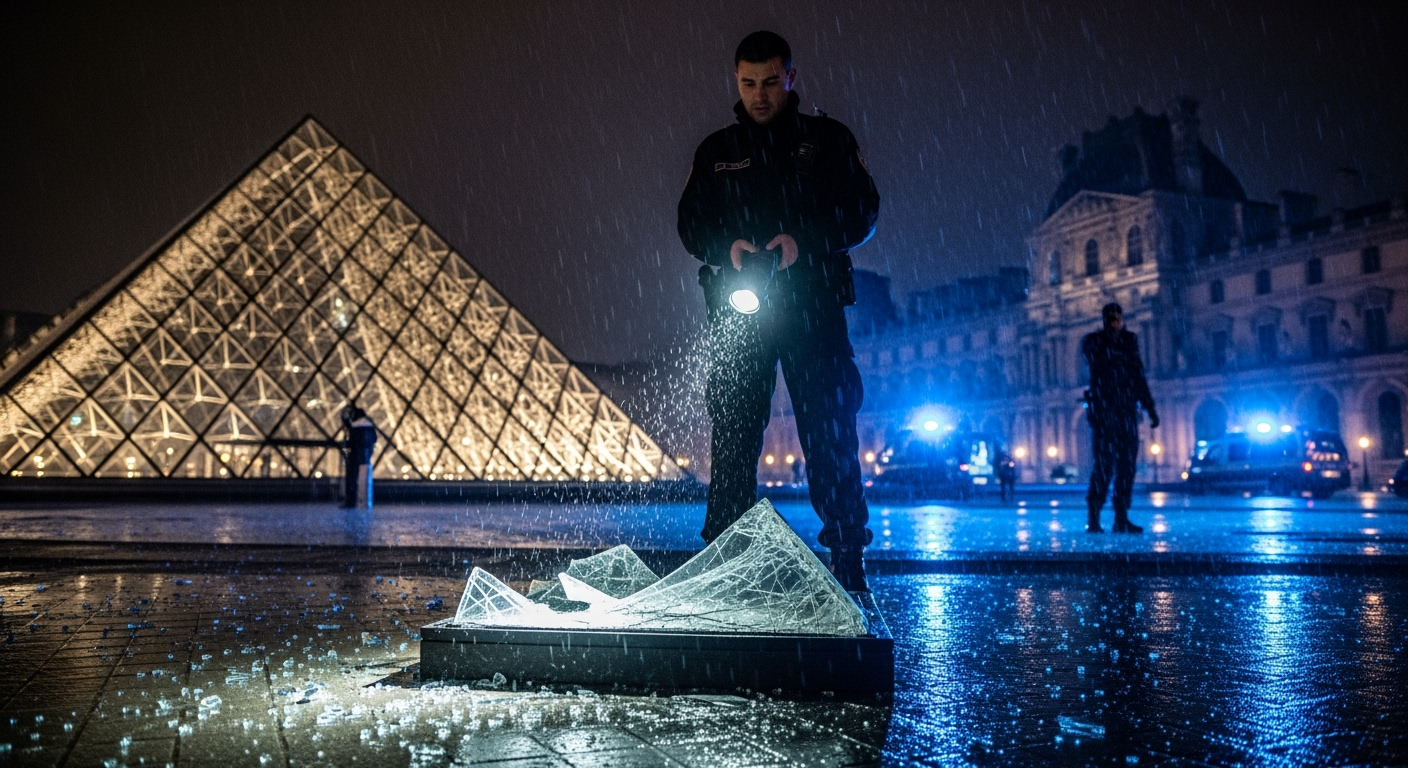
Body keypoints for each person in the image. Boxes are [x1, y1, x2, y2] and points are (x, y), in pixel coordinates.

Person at [677, 30, 880, 591]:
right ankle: (722, 551)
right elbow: (689, 225)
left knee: (829, 427)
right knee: (735, 429)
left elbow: (864, 211)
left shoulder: (829, 139)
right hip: (740, 305)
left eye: (770, 82)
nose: (759, 94)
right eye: (747, 83)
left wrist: (804, 242)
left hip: (812, 300)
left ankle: (846, 550)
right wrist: (729, 249)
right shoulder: (715, 152)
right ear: (735, 81)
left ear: (791, 77)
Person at [1081, 303, 1159, 533]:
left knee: (1127, 467)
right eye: (1110, 318)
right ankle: (1094, 517)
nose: (1115, 322)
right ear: (1105, 320)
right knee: (1104, 466)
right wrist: (1113, 347)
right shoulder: (1095, 342)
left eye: (1117, 318)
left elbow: (1138, 375)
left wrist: (1149, 407)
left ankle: (1121, 517)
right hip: (1105, 412)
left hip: (1125, 410)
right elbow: (1096, 363)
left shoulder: (1128, 341)